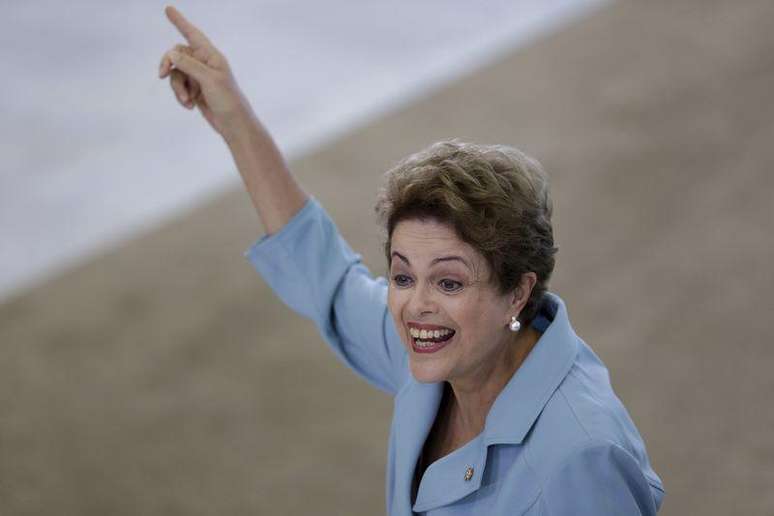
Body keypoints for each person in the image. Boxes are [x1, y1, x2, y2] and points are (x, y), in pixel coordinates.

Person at [158, 5, 665, 514]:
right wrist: (234, 121)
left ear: (518, 291)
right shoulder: (439, 353)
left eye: (449, 283)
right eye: (402, 275)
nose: (413, 306)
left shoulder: (581, 455)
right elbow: (327, 276)